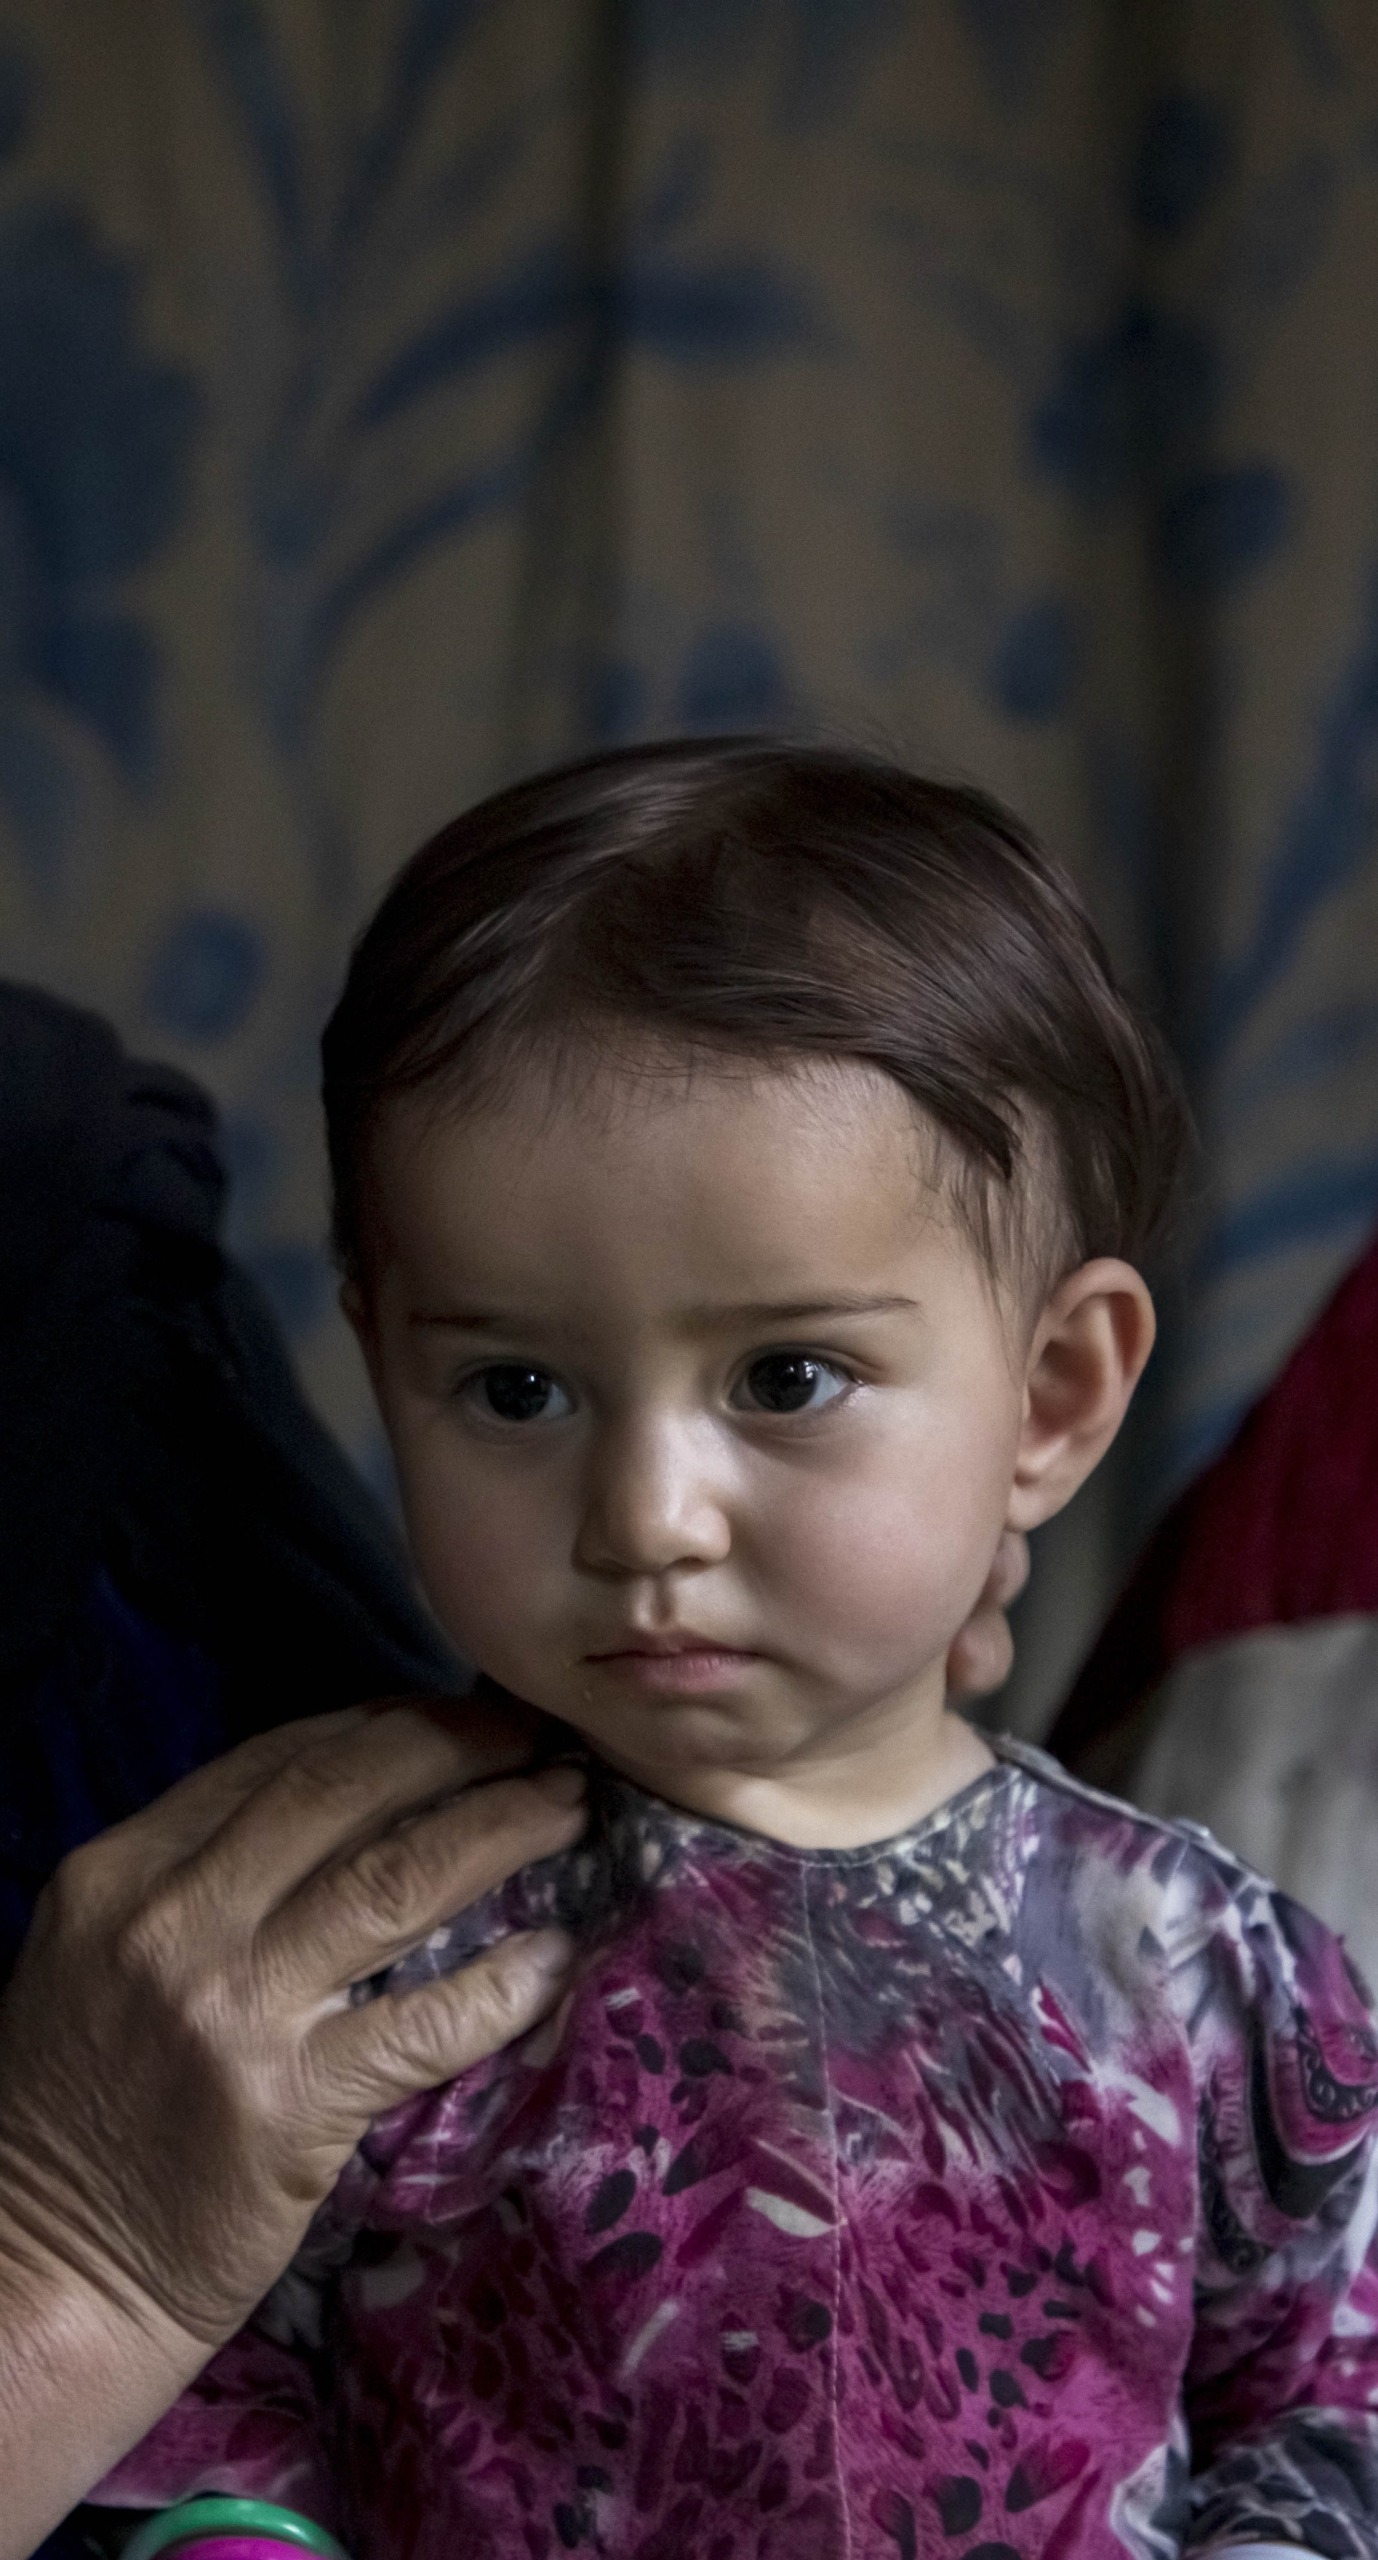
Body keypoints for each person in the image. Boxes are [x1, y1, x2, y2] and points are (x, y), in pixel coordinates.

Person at [91, 741, 1378, 2560]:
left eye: (785, 1379)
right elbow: (215, 2378)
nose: (644, 1515)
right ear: (382, 1362)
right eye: (514, 1389)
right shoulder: (353, 1963)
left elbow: (1324, 2388)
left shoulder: (1206, 1978)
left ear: (1049, 1395)